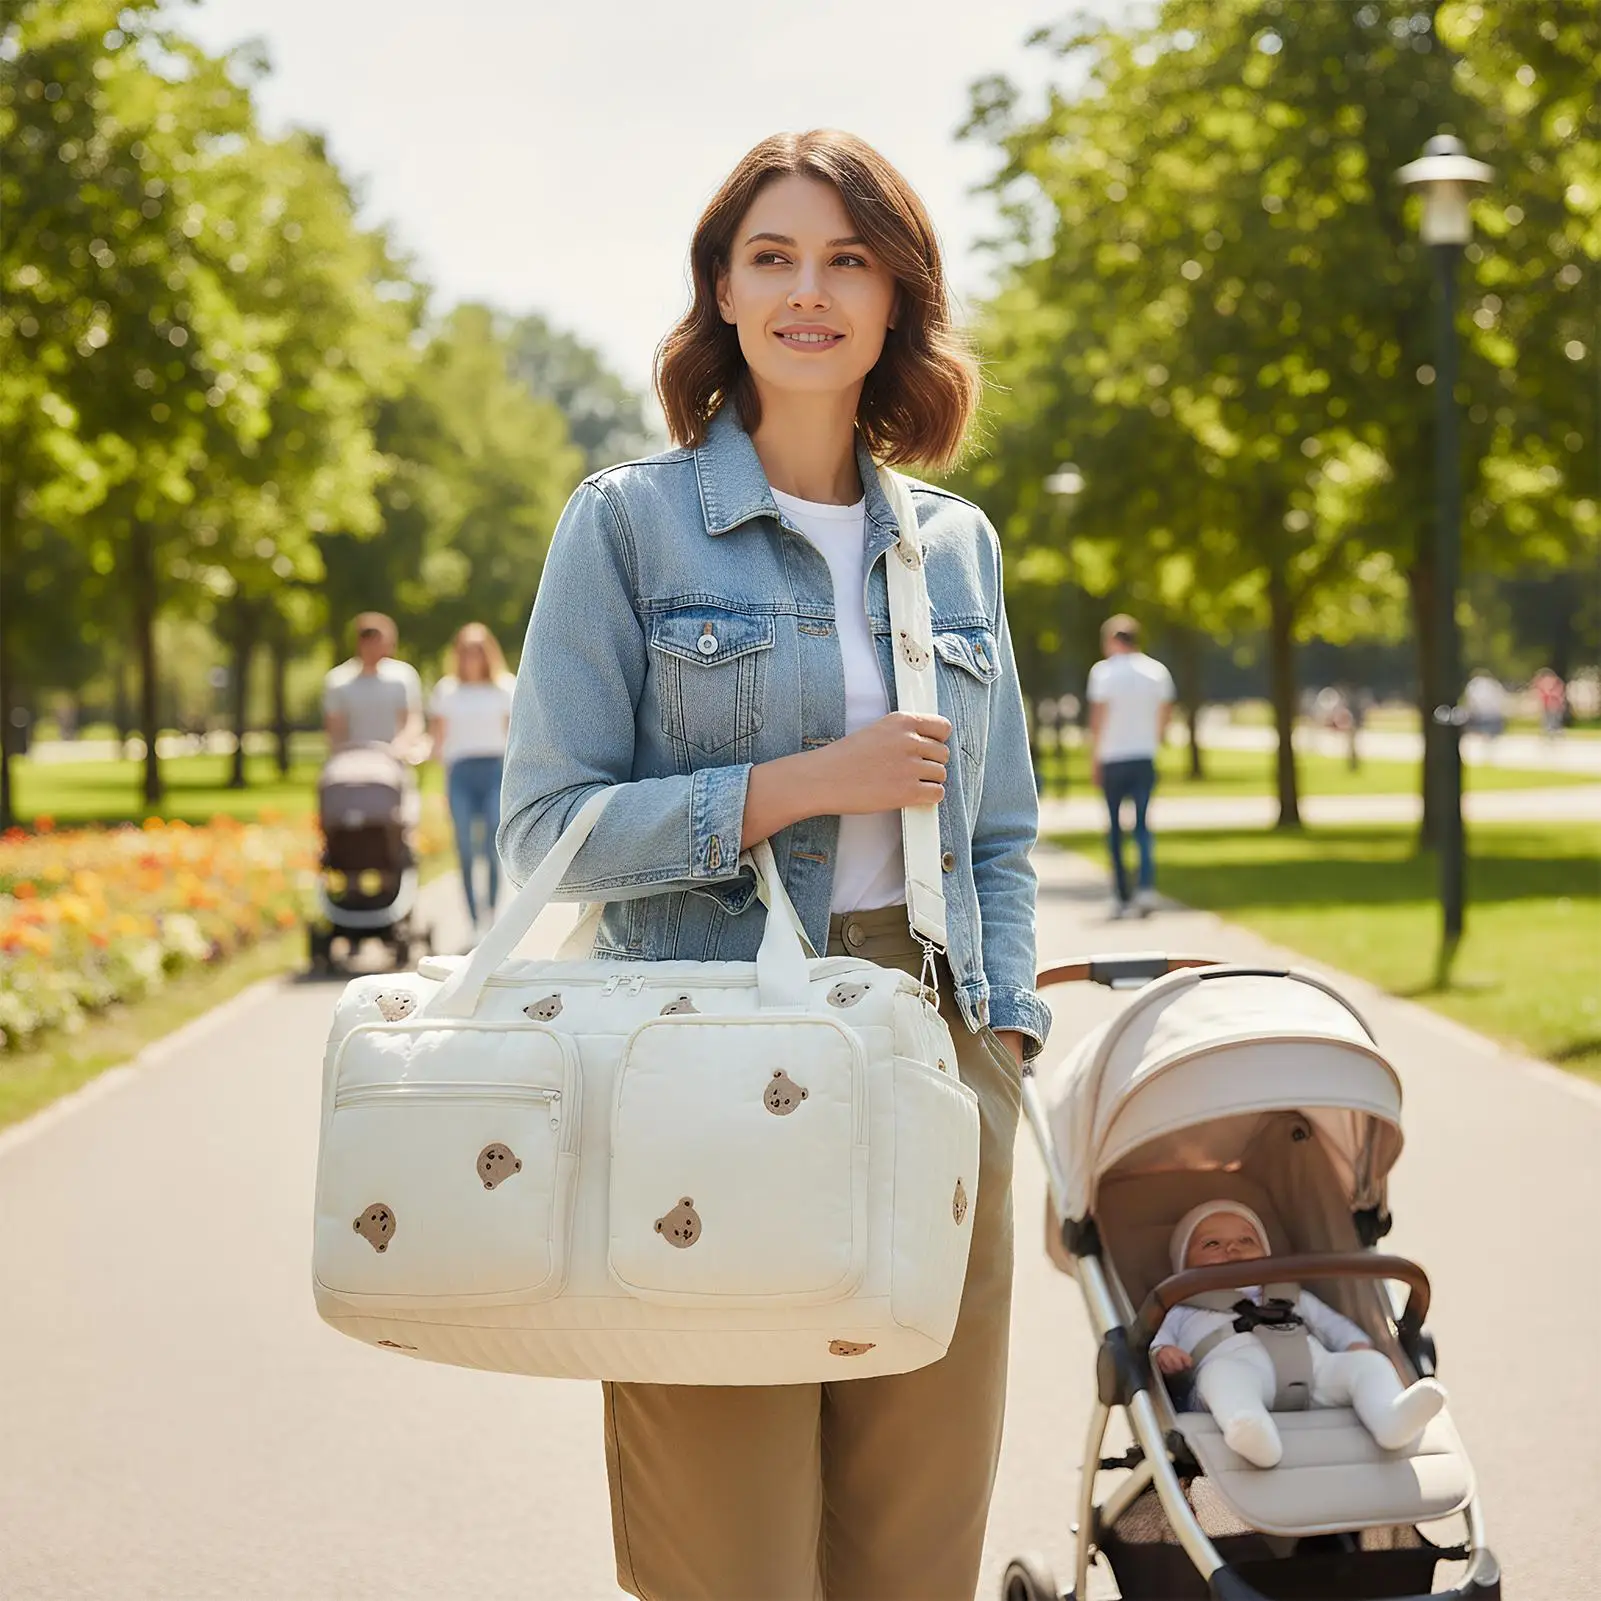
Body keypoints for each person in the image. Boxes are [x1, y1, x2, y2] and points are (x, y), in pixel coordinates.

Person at [497, 130, 1044, 1601]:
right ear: (723, 296)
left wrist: (1003, 1042)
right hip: (704, 1059)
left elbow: (997, 834)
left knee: (912, 1560)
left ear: (895, 299)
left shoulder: (957, 548)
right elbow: (545, 834)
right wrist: (795, 788)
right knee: (727, 1562)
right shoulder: (627, 526)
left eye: (848, 259)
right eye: (775, 258)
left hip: (936, 1064)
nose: (812, 291)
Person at [1152, 1204, 1447, 1470]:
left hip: (1314, 1373)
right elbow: (1156, 1339)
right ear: (1183, 1264)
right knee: (1219, 1376)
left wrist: (1355, 1345)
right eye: (1212, 1243)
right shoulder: (1181, 1308)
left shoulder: (1291, 1296)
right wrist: (1163, 1351)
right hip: (1239, 1373)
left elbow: (1333, 1325)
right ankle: (1250, 1430)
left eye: (1246, 1240)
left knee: (1369, 1364)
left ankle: (1391, 1420)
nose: (1232, 1249)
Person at [1087, 614, 1174, 918]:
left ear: (1113, 640)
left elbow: (1098, 719)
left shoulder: (1103, 673)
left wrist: (1093, 757)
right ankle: (1146, 889)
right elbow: (1165, 711)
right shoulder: (1156, 672)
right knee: (1142, 826)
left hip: (1112, 758)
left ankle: (1121, 894)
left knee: (1114, 828)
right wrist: (1157, 738)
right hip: (1143, 756)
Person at [429, 623, 515, 931]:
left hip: (494, 771)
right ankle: (473, 918)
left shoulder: (505, 687)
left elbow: (514, 739)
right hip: (461, 774)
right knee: (464, 846)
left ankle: (491, 911)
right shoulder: (447, 691)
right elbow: (438, 742)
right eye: (465, 650)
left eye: (477, 650)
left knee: (493, 843)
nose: (471, 657)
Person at [322, 613, 426, 758]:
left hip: (393, 759)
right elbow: (335, 729)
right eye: (367, 639)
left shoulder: (403, 677)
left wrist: (402, 745)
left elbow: (412, 719)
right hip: (353, 760)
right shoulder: (338, 680)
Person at [1461, 669, 1506, 749]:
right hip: (1492, 714)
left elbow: (1471, 701)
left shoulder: (1474, 685)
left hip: (1482, 714)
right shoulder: (1494, 684)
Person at [1532, 667, 1566, 740]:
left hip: (1554, 705)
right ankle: (1550, 732)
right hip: (1548, 704)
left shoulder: (1553, 682)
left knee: (1553, 719)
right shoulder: (1550, 682)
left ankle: (1553, 732)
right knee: (1548, 719)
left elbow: (1556, 693)